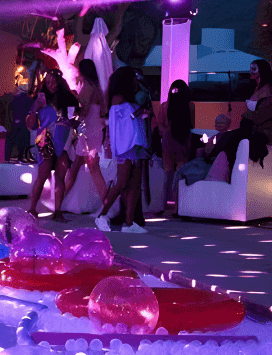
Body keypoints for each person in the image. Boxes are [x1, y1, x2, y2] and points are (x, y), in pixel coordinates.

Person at [209, 59, 272, 183]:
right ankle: (216, 164)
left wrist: (247, 117)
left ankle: (221, 170)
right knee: (227, 138)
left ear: (262, 71)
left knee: (230, 139)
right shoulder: (257, 88)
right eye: (251, 68)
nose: (251, 71)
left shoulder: (268, 92)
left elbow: (261, 116)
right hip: (250, 128)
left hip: (261, 132)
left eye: (254, 68)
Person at [95, 68, 149, 235]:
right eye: (134, 78)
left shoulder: (132, 99)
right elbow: (119, 123)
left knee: (134, 184)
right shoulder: (118, 100)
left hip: (136, 144)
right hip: (126, 145)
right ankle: (102, 216)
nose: (136, 82)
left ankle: (129, 222)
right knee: (122, 182)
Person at [26, 69, 78, 221]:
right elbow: (30, 124)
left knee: (60, 176)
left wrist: (69, 121)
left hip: (63, 138)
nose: (51, 85)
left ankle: (58, 211)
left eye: (53, 81)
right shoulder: (41, 99)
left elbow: (76, 119)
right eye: (48, 82)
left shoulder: (69, 99)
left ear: (60, 82)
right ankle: (32, 209)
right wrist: (36, 108)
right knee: (42, 174)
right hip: (44, 138)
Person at [62, 58, 108, 206]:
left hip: (88, 130)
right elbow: (102, 110)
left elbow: (84, 108)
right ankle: (60, 201)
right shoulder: (97, 87)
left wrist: (74, 105)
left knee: (93, 169)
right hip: (94, 129)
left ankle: (107, 203)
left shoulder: (87, 86)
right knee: (78, 166)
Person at [158, 79, 195, 214]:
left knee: (168, 174)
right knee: (180, 173)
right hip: (184, 139)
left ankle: (163, 205)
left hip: (168, 139)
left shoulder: (165, 106)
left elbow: (159, 125)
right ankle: (179, 206)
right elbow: (192, 124)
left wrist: (166, 131)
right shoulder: (190, 105)